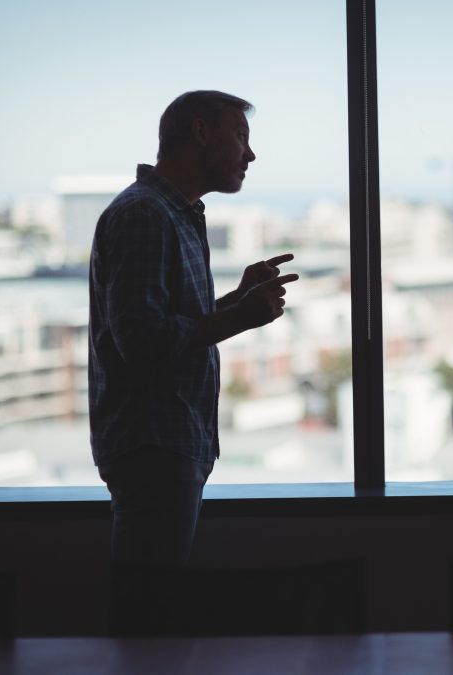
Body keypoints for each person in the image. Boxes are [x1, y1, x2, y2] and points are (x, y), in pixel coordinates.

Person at [89, 90, 298, 568]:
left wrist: (235, 301)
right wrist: (241, 316)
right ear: (201, 133)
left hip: (166, 442)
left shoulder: (172, 213)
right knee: (150, 613)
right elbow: (142, 343)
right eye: (240, 136)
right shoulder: (145, 215)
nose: (250, 154)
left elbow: (167, 322)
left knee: (154, 605)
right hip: (153, 444)